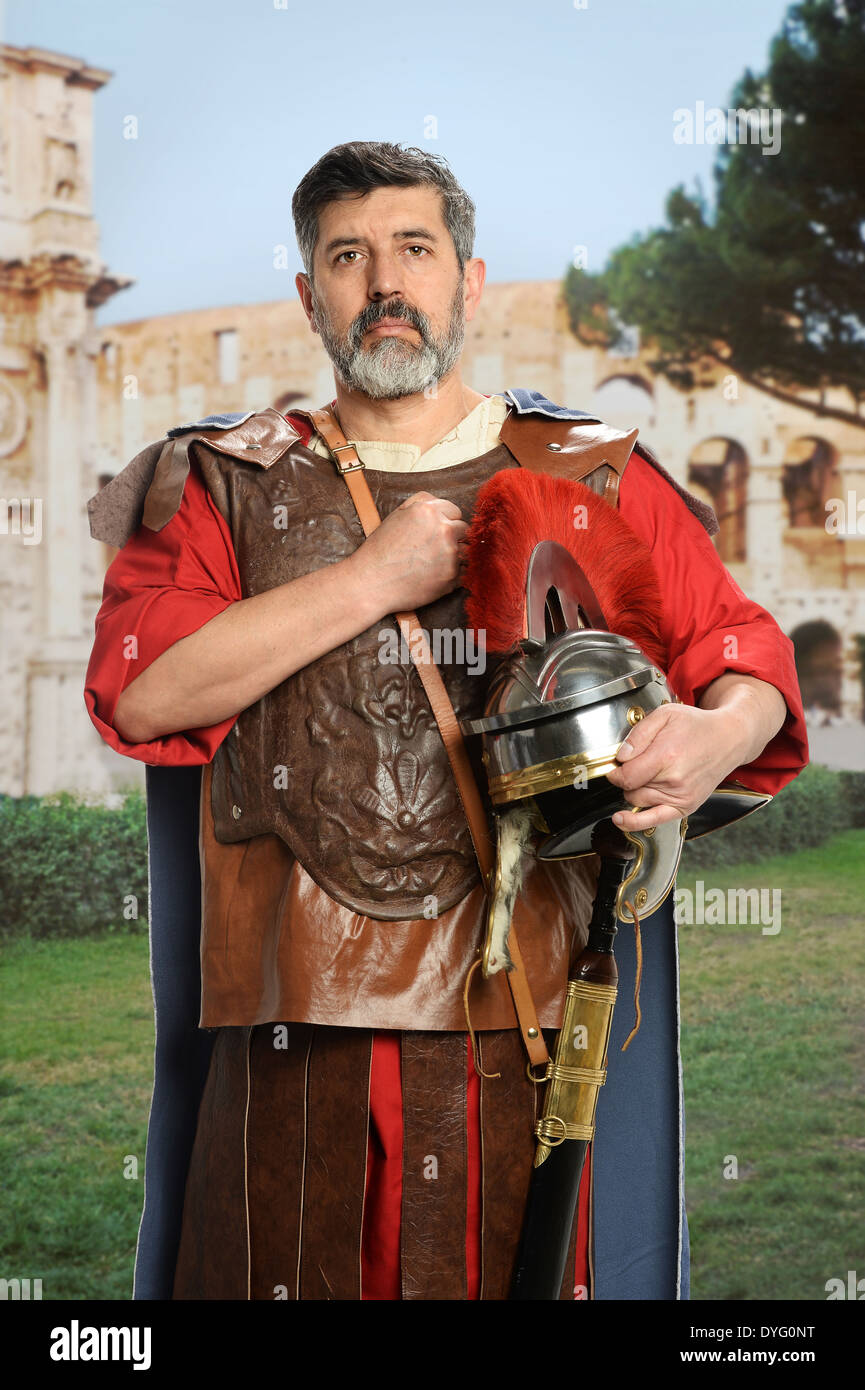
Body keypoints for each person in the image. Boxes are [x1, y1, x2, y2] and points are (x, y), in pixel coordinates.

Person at [84, 141, 808, 1301]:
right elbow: (143, 690)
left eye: (414, 250)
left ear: (467, 281)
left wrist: (714, 735)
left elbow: (746, 656)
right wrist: (368, 580)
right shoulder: (221, 480)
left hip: (520, 1022)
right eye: (347, 256)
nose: (384, 281)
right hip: (296, 1033)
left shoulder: (591, 470)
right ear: (308, 292)